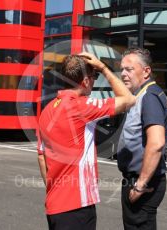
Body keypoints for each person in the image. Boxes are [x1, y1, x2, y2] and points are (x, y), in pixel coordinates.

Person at [37, 53, 136, 230]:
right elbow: (129, 99)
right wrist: (104, 69)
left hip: (55, 204)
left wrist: (54, 189)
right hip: (77, 206)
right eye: (94, 77)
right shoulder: (82, 106)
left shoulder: (47, 110)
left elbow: (41, 157)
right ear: (85, 81)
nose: (94, 81)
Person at [116, 48, 167, 230]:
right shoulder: (142, 95)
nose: (123, 74)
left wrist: (140, 186)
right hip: (139, 179)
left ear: (146, 71)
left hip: (143, 182)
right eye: (122, 69)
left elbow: (156, 143)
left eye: (129, 69)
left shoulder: (149, 97)